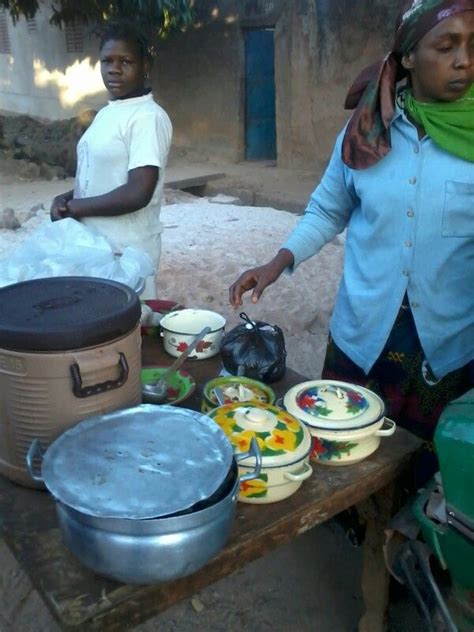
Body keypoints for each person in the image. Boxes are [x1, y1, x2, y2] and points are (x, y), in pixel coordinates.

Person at [229, 0, 474, 443]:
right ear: (409, 57)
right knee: (339, 453)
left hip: (444, 349)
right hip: (362, 337)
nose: (464, 60)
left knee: (424, 474)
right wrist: (276, 263)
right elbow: (327, 209)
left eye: (473, 45)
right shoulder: (366, 131)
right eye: (447, 45)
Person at [50, 21, 172, 299]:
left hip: (125, 254)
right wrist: (66, 198)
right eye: (107, 61)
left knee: (122, 335)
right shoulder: (109, 112)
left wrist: (76, 207)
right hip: (94, 247)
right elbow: (100, 176)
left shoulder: (147, 118)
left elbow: (138, 192)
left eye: (125, 61)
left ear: (145, 65)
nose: (114, 69)